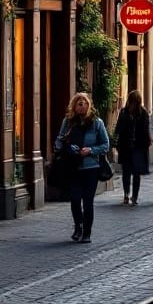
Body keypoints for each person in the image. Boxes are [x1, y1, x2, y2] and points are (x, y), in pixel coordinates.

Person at [54, 92, 110, 243]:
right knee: (74, 199)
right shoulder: (68, 122)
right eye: (79, 104)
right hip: (73, 166)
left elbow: (105, 145)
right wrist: (66, 147)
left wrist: (91, 150)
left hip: (91, 167)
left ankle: (87, 232)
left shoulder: (96, 123)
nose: (82, 106)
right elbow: (58, 141)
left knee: (87, 201)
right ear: (74, 106)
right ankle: (78, 226)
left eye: (85, 103)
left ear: (89, 105)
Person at [114, 90, 151, 206]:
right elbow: (119, 128)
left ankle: (131, 195)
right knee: (131, 172)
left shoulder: (141, 113)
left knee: (132, 172)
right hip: (128, 146)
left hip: (136, 146)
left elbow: (145, 130)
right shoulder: (125, 112)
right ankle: (130, 195)